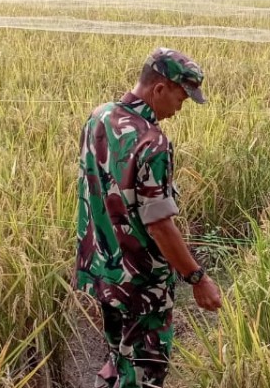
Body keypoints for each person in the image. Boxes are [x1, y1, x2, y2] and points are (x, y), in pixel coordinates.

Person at [72, 47, 223, 388]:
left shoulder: (99, 117)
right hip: (141, 285)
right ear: (159, 89)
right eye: (181, 99)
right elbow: (159, 225)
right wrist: (197, 278)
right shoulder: (152, 142)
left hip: (102, 271)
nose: (179, 109)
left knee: (118, 357)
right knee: (144, 373)